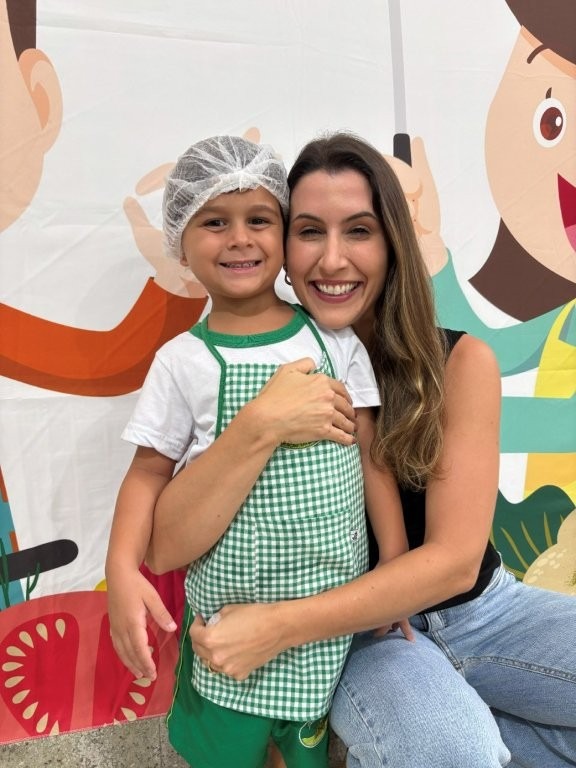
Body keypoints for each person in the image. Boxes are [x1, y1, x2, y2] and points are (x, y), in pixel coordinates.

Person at [145, 133, 576, 768]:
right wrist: (259, 425)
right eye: (309, 231)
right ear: (282, 245)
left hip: (485, 612)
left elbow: (454, 564)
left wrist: (274, 628)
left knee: (469, 745)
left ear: (392, 242)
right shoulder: (240, 364)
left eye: (359, 231)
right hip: (354, 635)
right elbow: (164, 546)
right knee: (451, 750)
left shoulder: (460, 361)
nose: (333, 259)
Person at [108, 134, 411, 768]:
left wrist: (394, 566)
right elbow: (147, 474)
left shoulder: (333, 342)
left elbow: (370, 456)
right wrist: (123, 570)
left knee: (305, 752)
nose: (239, 239)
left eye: (259, 220)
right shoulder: (183, 362)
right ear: (180, 243)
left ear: (284, 233)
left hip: (320, 621)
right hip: (229, 623)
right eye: (214, 222)